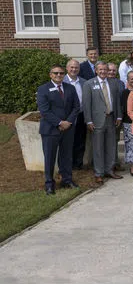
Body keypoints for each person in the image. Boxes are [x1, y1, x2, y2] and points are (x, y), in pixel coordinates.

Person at [36, 65, 80, 195]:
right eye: (56, 73)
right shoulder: (43, 89)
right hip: (50, 130)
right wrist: (60, 123)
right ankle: (49, 184)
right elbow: (44, 111)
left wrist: (68, 122)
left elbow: (76, 107)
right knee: (49, 158)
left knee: (66, 156)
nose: (59, 75)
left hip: (68, 129)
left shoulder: (70, 88)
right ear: (50, 74)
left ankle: (67, 179)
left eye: (61, 73)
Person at [82, 62, 123, 183]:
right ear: (96, 70)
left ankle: (109, 170)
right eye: (100, 69)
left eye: (105, 69)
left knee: (111, 146)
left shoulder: (113, 83)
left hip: (111, 119)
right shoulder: (89, 84)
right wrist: (88, 120)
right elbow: (86, 104)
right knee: (98, 147)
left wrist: (119, 116)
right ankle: (99, 172)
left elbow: (117, 101)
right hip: (96, 121)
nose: (103, 72)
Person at [63, 59, 86, 170]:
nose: (74, 69)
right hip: (67, 116)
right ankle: (68, 165)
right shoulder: (61, 81)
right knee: (68, 142)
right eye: (71, 67)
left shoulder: (83, 82)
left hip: (81, 115)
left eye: (76, 67)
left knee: (80, 141)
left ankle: (78, 164)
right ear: (67, 68)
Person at [120, 71, 133, 177]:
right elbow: (124, 109)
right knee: (131, 145)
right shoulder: (125, 93)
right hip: (129, 122)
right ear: (127, 80)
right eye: (131, 79)